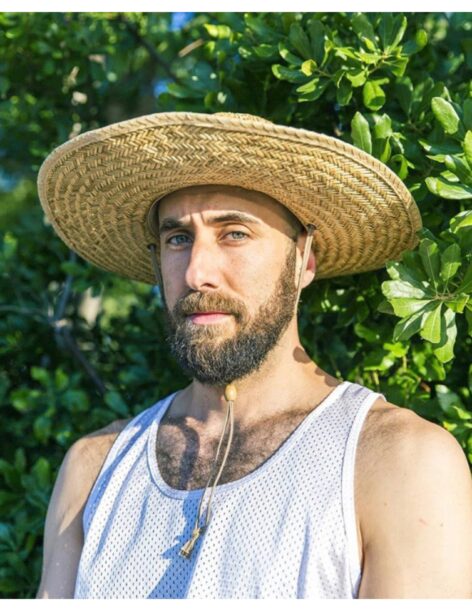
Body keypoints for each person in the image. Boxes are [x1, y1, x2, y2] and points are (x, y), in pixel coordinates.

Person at [36, 112, 472, 599]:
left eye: (234, 234)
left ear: (303, 260)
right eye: (178, 239)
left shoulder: (397, 462)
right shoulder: (93, 470)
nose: (198, 272)